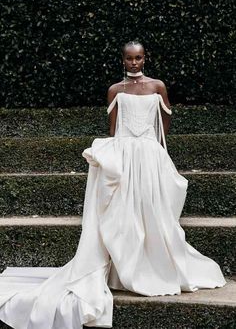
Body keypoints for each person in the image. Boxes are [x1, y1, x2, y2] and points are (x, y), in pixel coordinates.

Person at [0, 40, 226, 329]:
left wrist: (155, 151)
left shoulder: (158, 86)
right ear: (123, 60)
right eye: (130, 58)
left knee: (152, 210)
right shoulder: (115, 90)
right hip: (124, 155)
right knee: (123, 214)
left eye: (139, 58)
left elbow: (164, 123)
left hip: (150, 155)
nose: (134, 63)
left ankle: (153, 264)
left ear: (145, 59)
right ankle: (124, 267)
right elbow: (113, 129)